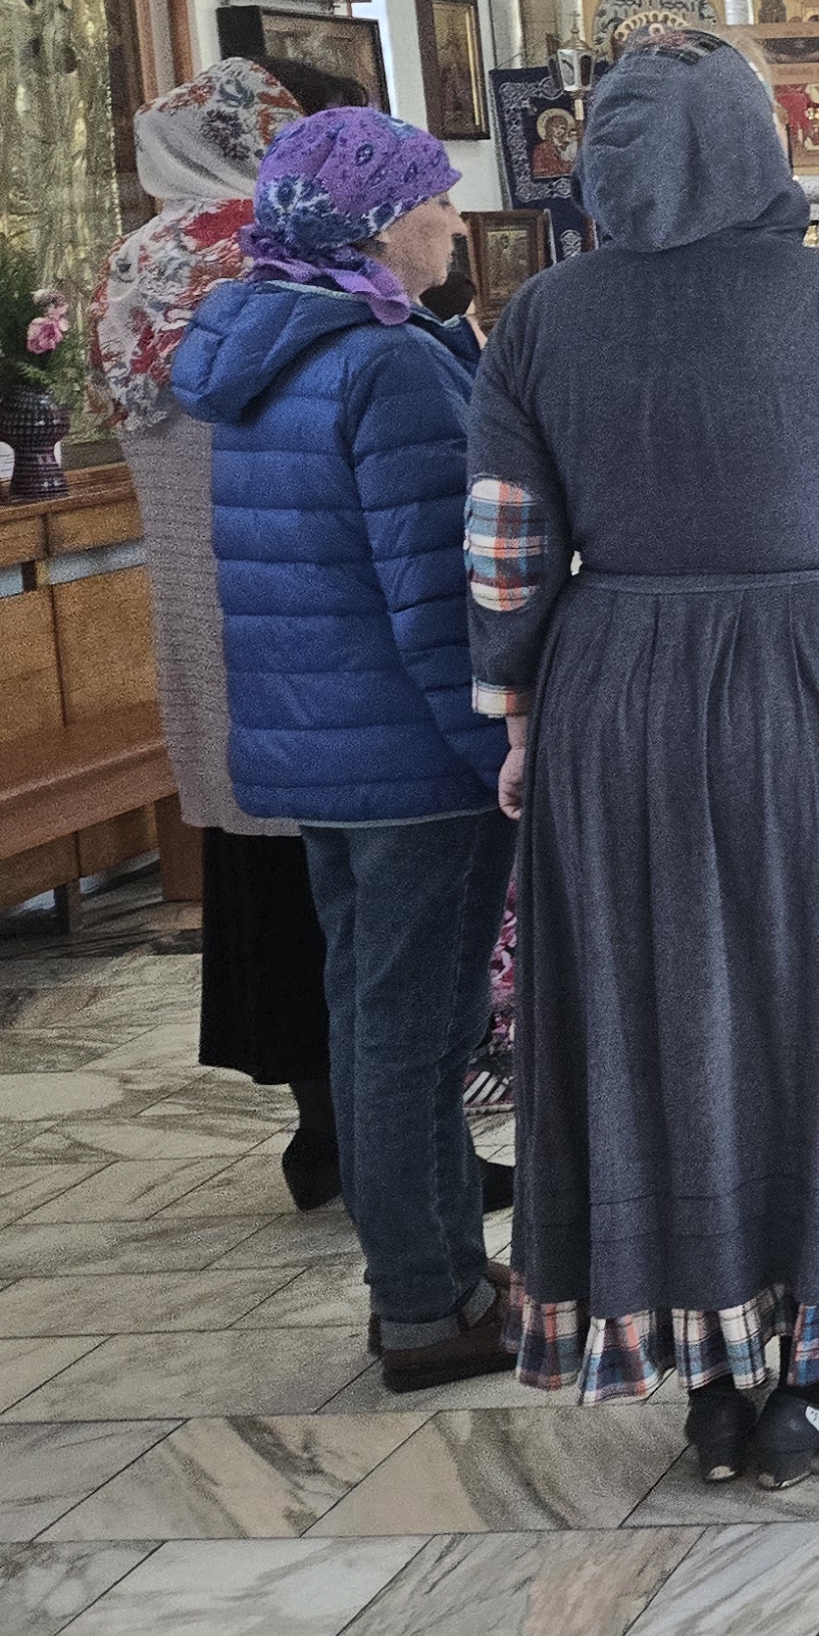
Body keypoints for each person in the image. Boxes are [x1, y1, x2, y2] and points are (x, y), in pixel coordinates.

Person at [467, 36, 819, 1489]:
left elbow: (507, 543)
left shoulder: (541, 318)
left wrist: (519, 719)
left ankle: (710, 1373)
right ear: (756, 147)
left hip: (616, 699)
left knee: (663, 1014)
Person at [175, 106, 515, 1390]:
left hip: (319, 753)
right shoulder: (385, 366)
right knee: (415, 1038)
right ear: (377, 225)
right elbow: (442, 602)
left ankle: (447, 1278)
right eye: (435, 201)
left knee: (377, 1022)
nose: (454, 224)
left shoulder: (265, 346)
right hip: (414, 763)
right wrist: (494, 755)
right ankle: (427, 1305)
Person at [103, 58, 337, 1199]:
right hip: (302, 592)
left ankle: (319, 1124)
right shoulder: (275, 259)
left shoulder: (141, 264)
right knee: (347, 866)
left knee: (260, 863)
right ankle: (378, 1135)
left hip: (204, 619)